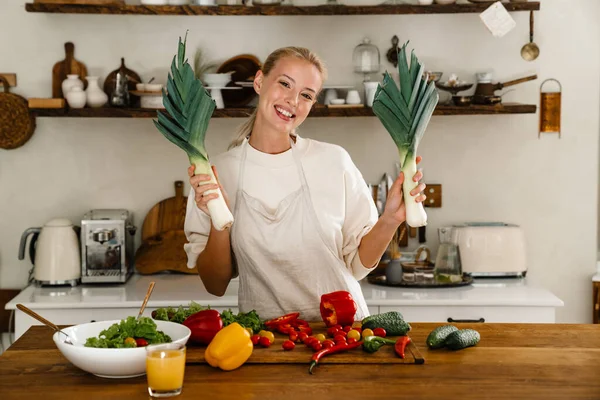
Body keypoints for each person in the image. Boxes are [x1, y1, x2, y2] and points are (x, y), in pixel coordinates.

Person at [184, 46, 426, 322]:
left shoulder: (334, 161)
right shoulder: (216, 174)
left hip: (343, 332)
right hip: (266, 340)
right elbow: (215, 285)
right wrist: (219, 223)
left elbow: (357, 267)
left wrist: (390, 220)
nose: (292, 101)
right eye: (285, 84)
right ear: (260, 82)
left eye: (306, 95)